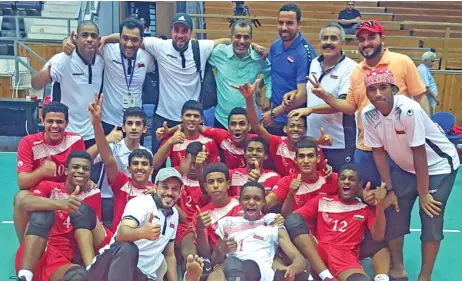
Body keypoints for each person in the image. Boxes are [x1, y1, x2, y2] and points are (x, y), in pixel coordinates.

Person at [302, 19, 431, 189]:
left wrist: (424, 131)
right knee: (365, 198)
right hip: (366, 147)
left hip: (398, 149)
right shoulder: (357, 71)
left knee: (397, 203)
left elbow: (420, 97)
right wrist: (324, 95)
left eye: (371, 37)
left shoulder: (402, 62)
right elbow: (350, 107)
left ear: (382, 39)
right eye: (361, 39)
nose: (366, 43)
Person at [362, 67, 460, 281]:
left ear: (393, 89)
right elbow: (378, 153)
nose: (378, 94)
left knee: (431, 213)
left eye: (383, 87)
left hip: (439, 166)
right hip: (405, 168)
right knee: (394, 208)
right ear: (366, 93)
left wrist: (423, 193)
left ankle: (425, 276)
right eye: (372, 89)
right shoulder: (367, 114)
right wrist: (388, 187)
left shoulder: (409, 110)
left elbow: (420, 153)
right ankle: (398, 267)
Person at [15, 151, 110, 281]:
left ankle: (90, 271)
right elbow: (25, 203)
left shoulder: (92, 194)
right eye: (76, 167)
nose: (81, 171)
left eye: (85, 169)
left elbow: (90, 231)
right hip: (39, 252)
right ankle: (25, 276)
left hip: (64, 260)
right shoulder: (49, 186)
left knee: (77, 276)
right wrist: (61, 204)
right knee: (42, 214)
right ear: (66, 171)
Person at [290, 164, 388, 281]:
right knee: (292, 220)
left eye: (351, 179)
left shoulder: (364, 209)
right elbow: (294, 220)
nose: (346, 182)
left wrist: (380, 206)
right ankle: (326, 276)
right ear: (338, 182)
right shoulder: (322, 200)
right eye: (343, 178)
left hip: (345, 258)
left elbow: (378, 236)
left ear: (359, 185)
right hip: (319, 252)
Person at [87, 167, 182, 281]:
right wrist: (141, 233)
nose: (169, 193)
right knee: (128, 248)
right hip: (108, 269)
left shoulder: (175, 215)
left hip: (142, 276)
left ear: (180, 192)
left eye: (175, 189)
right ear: (155, 188)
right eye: (165, 187)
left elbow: (169, 255)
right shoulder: (142, 202)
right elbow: (121, 235)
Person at [63, 17, 155, 133]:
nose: (129, 44)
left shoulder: (147, 57)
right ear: (119, 38)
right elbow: (83, 43)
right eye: (125, 38)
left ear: (141, 40)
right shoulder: (106, 50)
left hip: (135, 122)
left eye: (134, 39)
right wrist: (67, 41)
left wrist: (107, 38)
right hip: (109, 121)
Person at [290, 23, 357, 172]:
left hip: (338, 141)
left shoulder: (351, 67)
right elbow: (311, 92)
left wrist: (311, 109)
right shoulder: (314, 63)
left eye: (333, 38)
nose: (328, 42)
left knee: (338, 185)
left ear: (342, 43)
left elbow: (345, 105)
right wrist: (294, 92)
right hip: (313, 140)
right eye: (325, 38)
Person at [14, 102, 86, 241]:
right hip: (39, 193)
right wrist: (42, 172)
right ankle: (25, 248)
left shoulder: (75, 141)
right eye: (50, 121)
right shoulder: (28, 142)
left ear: (67, 123)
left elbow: (81, 168)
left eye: (59, 121)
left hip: (66, 192)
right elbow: (22, 183)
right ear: (42, 121)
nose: (54, 126)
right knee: (20, 198)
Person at [234, 77, 332, 177]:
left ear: (305, 131)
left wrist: (328, 169)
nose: (295, 129)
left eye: (299, 126)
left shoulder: (313, 149)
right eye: (292, 125)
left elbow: (323, 171)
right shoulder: (278, 143)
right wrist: (249, 98)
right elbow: (257, 127)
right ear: (285, 129)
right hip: (282, 187)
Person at [213, 182, 307, 281]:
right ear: (239, 201)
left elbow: (300, 260)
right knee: (221, 269)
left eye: (257, 199)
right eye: (246, 198)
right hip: (230, 269)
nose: (251, 202)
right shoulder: (226, 223)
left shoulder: (272, 226)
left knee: (239, 263)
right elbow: (214, 261)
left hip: (260, 272)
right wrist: (220, 250)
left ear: (264, 202)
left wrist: (291, 269)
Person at [89, 93, 156, 232]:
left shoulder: (147, 154)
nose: (133, 128)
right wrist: (104, 135)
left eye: (138, 124)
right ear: (123, 128)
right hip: (108, 199)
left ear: (144, 129)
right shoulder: (113, 146)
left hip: (134, 198)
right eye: (129, 123)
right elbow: (86, 158)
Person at [32, 20, 104, 148]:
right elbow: (36, 84)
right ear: (76, 37)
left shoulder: (102, 60)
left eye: (93, 36)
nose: (89, 39)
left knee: (89, 168)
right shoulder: (61, 59)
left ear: (99, 39)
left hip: (92, 133)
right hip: (64, 131)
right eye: (84, 35)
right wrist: (47, 71)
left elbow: (123, 40)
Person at [208, 19, 272, 129]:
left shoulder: (259, 58)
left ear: (251, 39)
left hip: (247, 122)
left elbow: (270, 75)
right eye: (238, 36)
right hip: (222, 120)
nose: (242, 41)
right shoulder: (218, 53)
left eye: (246, 37)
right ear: (231, 37)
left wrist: (267, 96)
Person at [264, 4, 317, 136]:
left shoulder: (305, 53)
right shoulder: (275, 45)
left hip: (293, 122)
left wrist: (273, 113)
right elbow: (270, 74)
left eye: (289, 23)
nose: (284, 28)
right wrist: (266, 98)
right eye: (280, 23)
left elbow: (302, 95)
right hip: (273, 118)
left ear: (299, 24)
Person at [158, 100, 220, 168]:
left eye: (196, 116)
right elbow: (155, 164)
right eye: (188, 115)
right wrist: (169, 142)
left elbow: (214, 171)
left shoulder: (210, 142)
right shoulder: (172, 139)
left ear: (202, 119)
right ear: (181, 118)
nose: (192, 119)